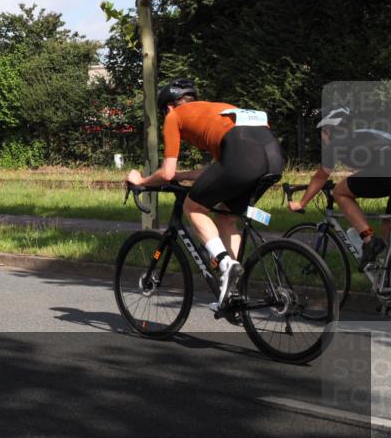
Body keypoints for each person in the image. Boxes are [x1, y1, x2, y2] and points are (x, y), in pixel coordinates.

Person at [126, 79, 284, 311]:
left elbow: (166, 173)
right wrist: (182, 176)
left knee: (193, 207)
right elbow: (219, 169)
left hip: (243, 156)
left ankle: (225, 264)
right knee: (225, 218)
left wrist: (141, 180)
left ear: (169, 106)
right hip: (273, 158)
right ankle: (235, 289)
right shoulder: (216, 110)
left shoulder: (174, 116)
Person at [288, 107, 390, 266]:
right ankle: (387, 275)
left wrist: (301, 203)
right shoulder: (364, 134)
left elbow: (321, 176)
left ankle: (369, 238)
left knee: (339, 192)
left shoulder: (337, 142)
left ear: (327, 130)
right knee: (388, 224)